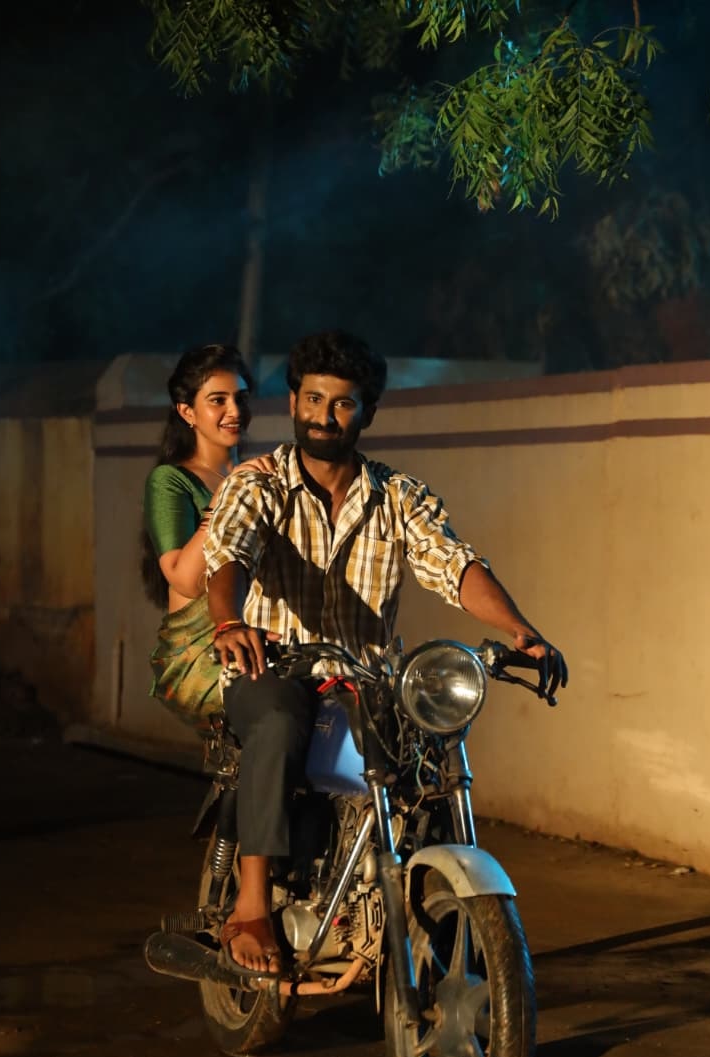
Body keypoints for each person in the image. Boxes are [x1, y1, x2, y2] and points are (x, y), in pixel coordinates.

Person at [204, 330, 568, 973]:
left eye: (342, 403)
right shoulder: (258, 486)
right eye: (312, 399)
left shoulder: (398, 496)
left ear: (367, 413)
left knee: (431, 754)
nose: (324, 416)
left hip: (368, 683)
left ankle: (460, 961)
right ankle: (252, 903)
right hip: (271, 668)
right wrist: (231, 622)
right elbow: (230, 553)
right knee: (281, 721)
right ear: (292, 402)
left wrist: (521, 629)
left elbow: (453, 564)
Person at [140, 343, 271, 732]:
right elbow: (183, 578)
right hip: (206, 653)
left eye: (240, 398)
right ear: (187, 412)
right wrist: (228, 495)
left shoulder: (258, 475)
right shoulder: (171, 481)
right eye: (218, 400)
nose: (235, 411)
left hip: (261, 637)